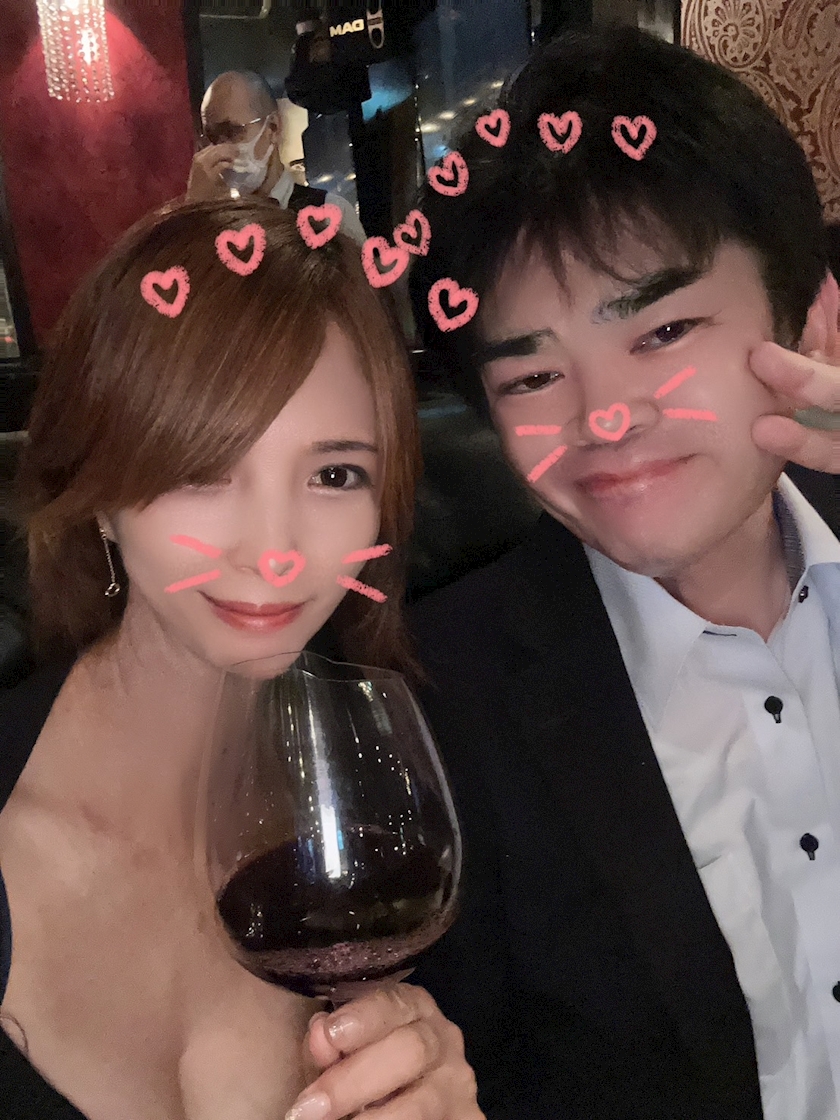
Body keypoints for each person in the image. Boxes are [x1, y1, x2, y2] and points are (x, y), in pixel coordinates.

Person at [408, 26, 840, 1120]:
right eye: (531, 376)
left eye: (662, 330)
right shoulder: (436, 707)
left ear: (813, 322)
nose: (603, 417)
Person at [0, 199, 480, 1120]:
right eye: (202, 468)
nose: (274, 551)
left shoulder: (395, 795)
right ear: (97, 492)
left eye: (334, 474)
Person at [185, 71, 366, 243]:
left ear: (273, 127)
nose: (220, 148)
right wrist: (195, 210)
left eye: (232, 131)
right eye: (212, 137)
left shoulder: (330, 215)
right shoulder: (218, 225)